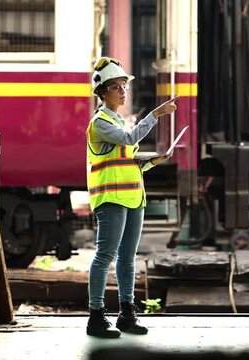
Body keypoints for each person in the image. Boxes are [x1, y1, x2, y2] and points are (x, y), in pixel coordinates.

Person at [85, 56, 179, 338]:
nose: (123, 91)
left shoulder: (118, 120)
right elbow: (128, 142)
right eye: (116, 86)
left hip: (133, 197)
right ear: (102, 93)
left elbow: (127, 160)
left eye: (124, 85)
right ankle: (96, 317)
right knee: (105, 256)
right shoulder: (100, 123)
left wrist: (153, 162)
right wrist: (157, 114)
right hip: (111, 199)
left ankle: (127, 314)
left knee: (128, 258)